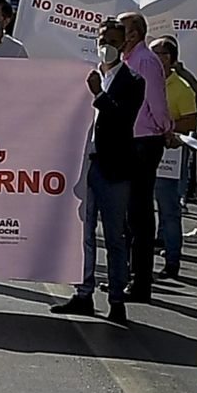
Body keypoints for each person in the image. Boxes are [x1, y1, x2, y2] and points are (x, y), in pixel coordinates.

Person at [51, 19, 144, 323]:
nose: (107, 46)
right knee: (82, 234)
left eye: (114, 41)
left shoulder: (133, 81)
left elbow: (122, 119)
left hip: (113, 168)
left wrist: (99, 95)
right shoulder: (85, 75)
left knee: (114, 237)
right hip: (83, 165)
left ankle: (117, 299)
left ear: (124, 45)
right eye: (103, 39)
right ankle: (83, 293)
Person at [119, 12, 171, 301]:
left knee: (139, 213)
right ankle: (127, 274)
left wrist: (166, 129)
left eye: (122, 30)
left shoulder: (146, 61)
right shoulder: (126, 61)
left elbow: (157, 102)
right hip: (128, 140)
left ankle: (141, 280)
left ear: (134, 34)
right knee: (127, 214)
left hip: (144, 142)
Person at [150, 36, 197, 279]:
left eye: (155, 54)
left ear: (167, 59)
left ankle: (172, 262)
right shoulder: (144, 81)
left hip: (168, 160)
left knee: (169, 211)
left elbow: (191, 121)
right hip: (143, 155)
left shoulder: (181, 88)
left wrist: (167, 129)